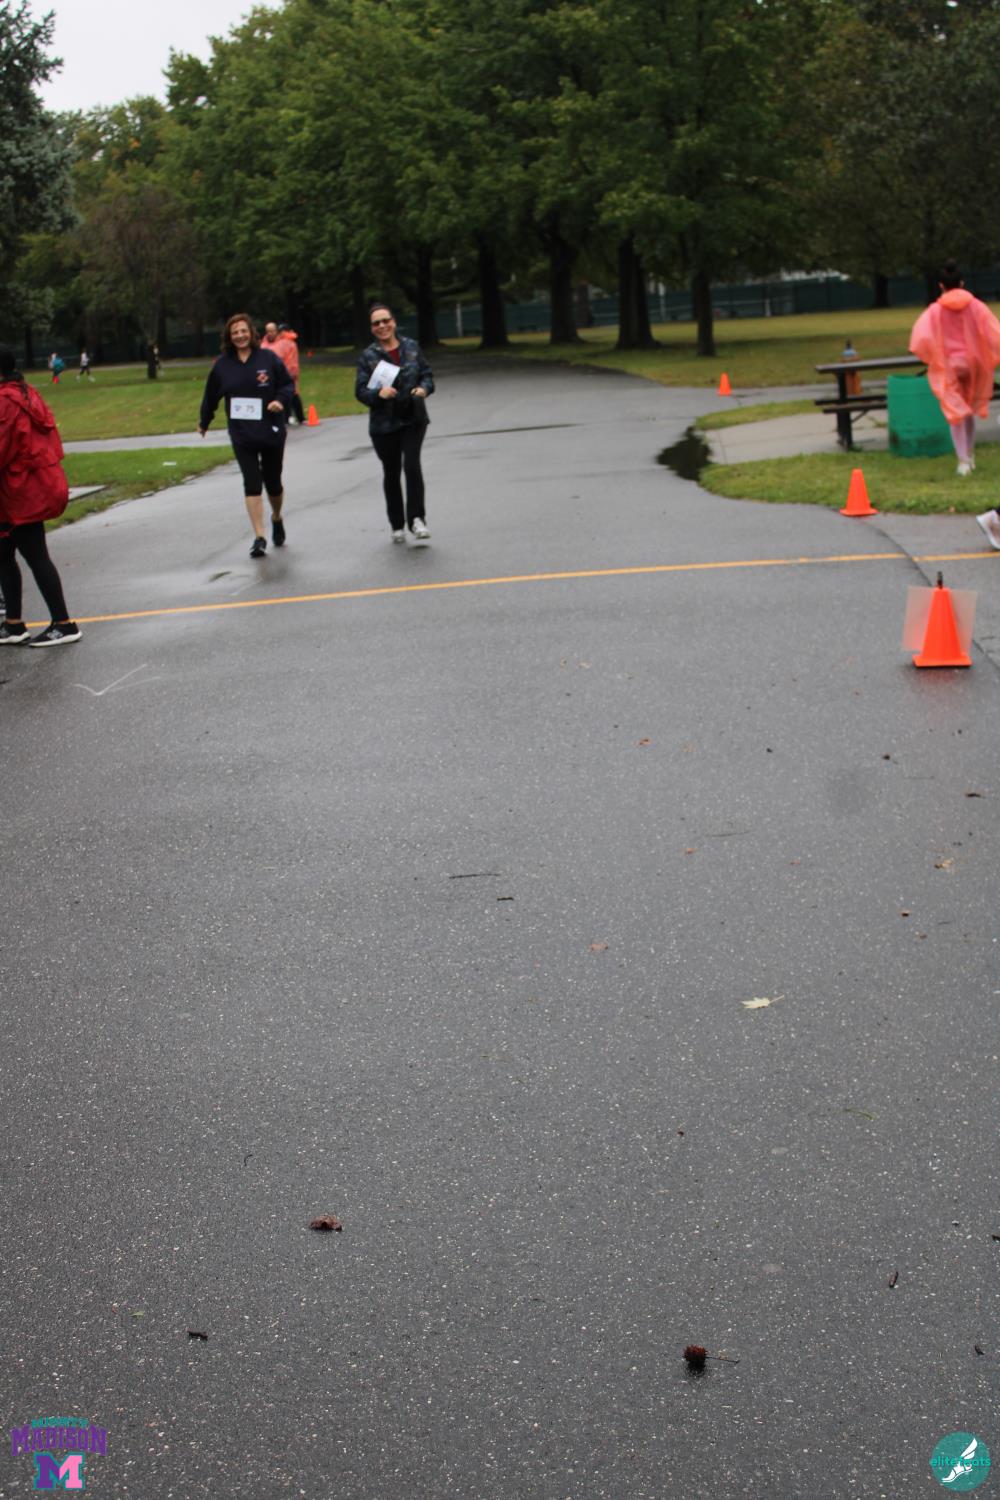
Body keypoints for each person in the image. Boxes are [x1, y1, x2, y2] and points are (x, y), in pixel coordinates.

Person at [0, 344, 80, 646]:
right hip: (20, 488)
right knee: (3, 556)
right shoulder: (25, 393)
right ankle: (13, 624)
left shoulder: (5, 401)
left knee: (36, 556)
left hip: (20, 493)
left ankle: (64, 623)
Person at [198, 313, 294, 558]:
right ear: (229, 337)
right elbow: (211, 396)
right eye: (235, 333)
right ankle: (259, 537)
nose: (240, 336)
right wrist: (204, 421)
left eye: (243, 331)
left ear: (251, 333)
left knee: (273, 482)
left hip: (270, 430)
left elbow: (287, 385)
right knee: (252, 482)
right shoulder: (222, 365)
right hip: (242, 434)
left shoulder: (268, 358)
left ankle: (276, 517)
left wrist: (280, 401)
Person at [909, 260, 1000, 481]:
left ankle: (963, 460)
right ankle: (970, 454)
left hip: (949, 364)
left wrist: (932, 356)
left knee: (955, 412)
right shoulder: (976, 306)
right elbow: (994, 332)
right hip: (974, 363)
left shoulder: (935, 310)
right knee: (968, 409)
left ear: (941, 285)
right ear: (962, 283)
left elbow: (920, 338)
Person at [355, 303, 434, 545]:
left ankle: (417, 519)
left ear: (394, 322)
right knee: (391, 471)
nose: (382, 326)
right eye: (376, 323)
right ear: (371, 328)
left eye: (385, 321)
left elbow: (427, 375)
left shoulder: (411, 347)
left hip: (412, 418)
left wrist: (423, 389)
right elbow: (360, 391)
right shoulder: (368, 356)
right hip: (383, 424)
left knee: (412, 466)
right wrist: (378, 394)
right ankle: (397, 524)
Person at [263, 322, 304, 425]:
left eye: (272, 331)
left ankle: (300, 418)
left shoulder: (286, 344)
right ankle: (283, 420)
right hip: (269, 378)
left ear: (276, 331)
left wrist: (291, 372)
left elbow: (291, 360)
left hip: (284, 376)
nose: (270, 333)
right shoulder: (263, 345)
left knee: (292, 395)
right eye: (268, 331)